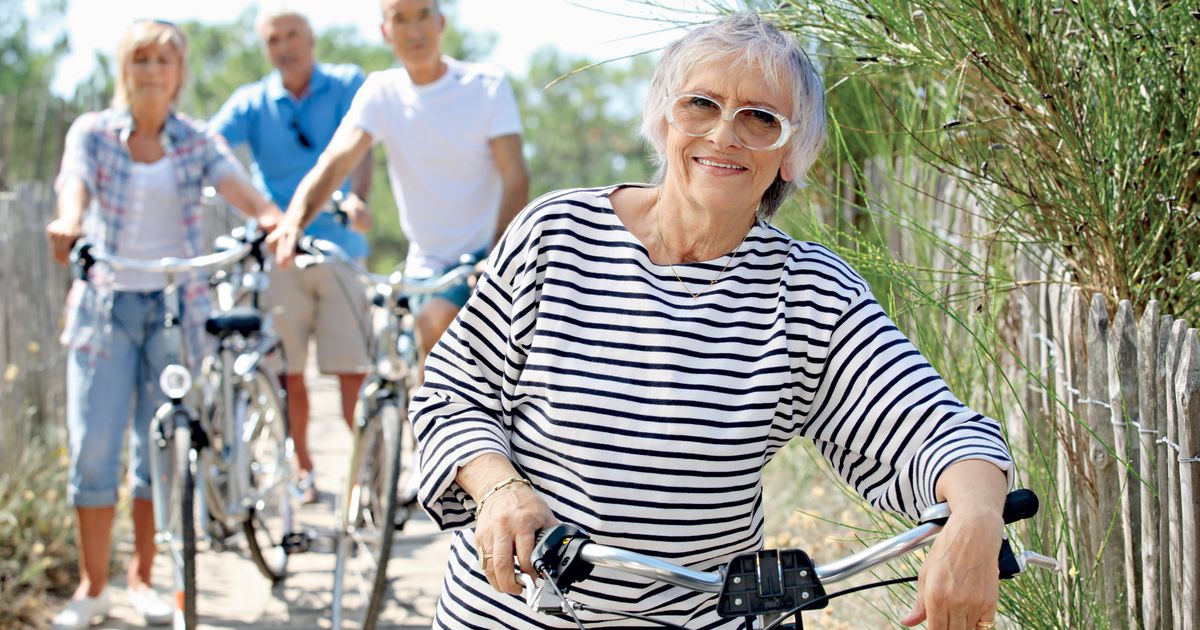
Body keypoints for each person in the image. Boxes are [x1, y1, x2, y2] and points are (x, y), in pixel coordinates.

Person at [409, 12, 1014, 630]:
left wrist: (974, 518)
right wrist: (498, 490)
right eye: (701, 104)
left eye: (760, 118)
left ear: (790, 155)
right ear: (666, 119)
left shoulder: (810, 291)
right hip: (512, 612)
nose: (725, 135)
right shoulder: (556, 234)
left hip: (703, 616)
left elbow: (935, 429)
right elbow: (451, 395)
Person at [44, 20, 283, 630]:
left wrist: (271, 219)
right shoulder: (93, 134)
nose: (152, 70)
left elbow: (242, 191)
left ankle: (144, 580)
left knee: (159, 449)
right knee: (95, 450)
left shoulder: (196, 140)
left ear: (180, 72)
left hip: (176, 310)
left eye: (164, 60)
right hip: (106, 308)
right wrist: (68, 222)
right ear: (125, 68)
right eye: (141, 59)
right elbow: (73, 187)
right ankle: (92, 588)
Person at [269, 0, 530, 369]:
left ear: (440, 22)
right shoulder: (382, 90)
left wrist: (498, 257)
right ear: (385, 32)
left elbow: (515, 176)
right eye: (400, 19)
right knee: (401, 359)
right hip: (422, 265)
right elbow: (336, 161)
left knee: (434, 323)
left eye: (422, 14)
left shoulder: (486, 85)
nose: (414, 30)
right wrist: (293, 222)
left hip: (482, 257)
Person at [210, 7, 375, 503]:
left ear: (311, 37)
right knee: (287, 374)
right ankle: (302, 471)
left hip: (339, 249)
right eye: (273, 38)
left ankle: (368, 476)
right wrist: (257, 210)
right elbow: (207, 147)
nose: (284, 46)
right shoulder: (252, 102)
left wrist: (357, 199)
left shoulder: (346, 83)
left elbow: (364, 145)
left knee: (353, 371)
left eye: (292, 34)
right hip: (280, 253)